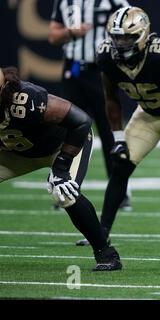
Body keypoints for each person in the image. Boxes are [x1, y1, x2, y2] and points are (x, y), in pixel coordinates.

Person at [76, 6, 160, 249]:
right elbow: (111, 98)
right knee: (120, 167)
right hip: (146, 115)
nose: (121, 43)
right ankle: (101, 231)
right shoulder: (107, 56)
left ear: (142, 35)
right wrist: (118, 138)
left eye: (128, 37)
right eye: (116, 37)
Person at [0, 66, 121, 271]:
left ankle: (106, 254)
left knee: (64, 193)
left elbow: (81, 122)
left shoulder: (27, 99)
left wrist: (63, 165)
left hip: (64, 145)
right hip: (19, 151)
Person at [48, 0, 132, 210]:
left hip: (101, 70)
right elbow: (53, 35)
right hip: (73, 70)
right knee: (68, 130)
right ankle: (63, 185)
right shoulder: (64, 1)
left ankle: (120, 191)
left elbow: (133, 25)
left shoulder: (113, 1)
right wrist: (71, 32)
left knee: (110, 131)